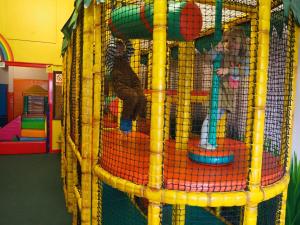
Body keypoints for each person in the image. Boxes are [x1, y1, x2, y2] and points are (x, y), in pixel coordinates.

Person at [200, 27, 248, 150]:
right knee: (211, 116)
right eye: (229, 40)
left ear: (242, 44)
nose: (231, 44)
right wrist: (217, 48)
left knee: (216, 117)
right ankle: (204, 142)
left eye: (235, 41)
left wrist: (228, 70)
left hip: (230, 94)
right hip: (219, 91)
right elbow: (207, 58)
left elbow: (246, 71)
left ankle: (208, 140)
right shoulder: (223, 53)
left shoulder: (242, 58)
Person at [106, 38, 146, 133]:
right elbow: (110, 48)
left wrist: (125, 37)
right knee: (132, 96)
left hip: (132, 82)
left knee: (141, 97)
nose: (120, 50)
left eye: (121, 48)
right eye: (117, 48)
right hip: (120, 85)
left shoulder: (125, 58)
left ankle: (131, 118)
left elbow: (131, 49)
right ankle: (124, 122)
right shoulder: (110, 60)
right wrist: (114, 36)